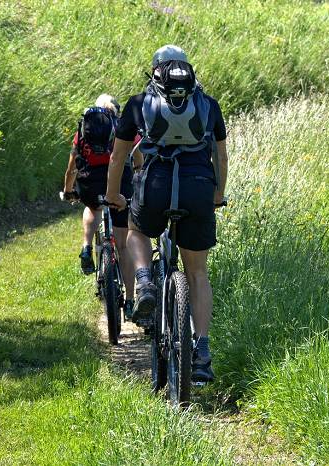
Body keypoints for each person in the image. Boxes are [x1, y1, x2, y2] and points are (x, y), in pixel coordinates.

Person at [105, 45, 228, 382]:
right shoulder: (208, 105)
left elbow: (118, 158)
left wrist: (114, 194)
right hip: (199, 188)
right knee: (198, 273)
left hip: (156, 185)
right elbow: (221, 157)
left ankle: (144, 282)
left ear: (155, 72)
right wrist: (217, 195)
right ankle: (201, 351)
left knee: (137, 230)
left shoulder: (138, 104)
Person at [61, 94, 142, 319]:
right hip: (119, 185)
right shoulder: (123, 127)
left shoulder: (83, 131)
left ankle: (87, 246)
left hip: (90, 182)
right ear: (115, 110)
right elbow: (138, 159)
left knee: (93, 208)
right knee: (124, 247)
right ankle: (129, 300)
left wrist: (69, 191)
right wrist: (137, 176)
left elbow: (71, 169)